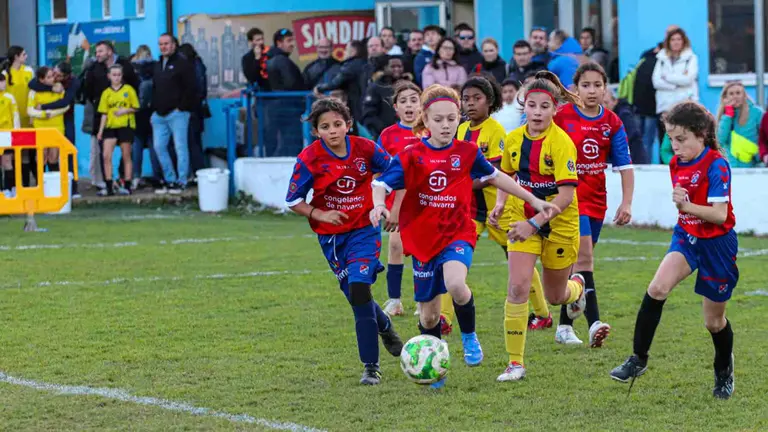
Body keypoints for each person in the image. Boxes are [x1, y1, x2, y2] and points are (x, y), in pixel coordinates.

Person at [370, 84, 559, 389]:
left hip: (458, 231)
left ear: (458, 118)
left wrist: (535, 201)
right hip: (422, 240)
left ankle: (469, 336)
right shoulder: (412, 154)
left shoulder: (467, 152)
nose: (445, 125)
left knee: (456, 284)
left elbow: (498, 177)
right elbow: (381, 183)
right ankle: (434, 366)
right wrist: (379, 204)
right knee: (429, 317)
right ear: (425, 121)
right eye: (438, 119)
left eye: (451, 119)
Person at [610, 101, 737, 401]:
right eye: (670, 138)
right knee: (657, 288)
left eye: (681, 139)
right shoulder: (676, 163)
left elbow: (719, 215)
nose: (674, 146)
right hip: (687, 237)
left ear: (701, 134)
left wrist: (685, 205)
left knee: (713, 322)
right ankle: (638, 359)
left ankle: (723, 370)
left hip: (717, 244)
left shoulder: (717, 164)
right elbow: (686, 204)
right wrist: (685, 209)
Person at [285, 97, 404, 385]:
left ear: (349, 125)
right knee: (354, 294)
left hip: (364, 228)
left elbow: (396, 173)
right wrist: (320, 214)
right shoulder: (309, 158)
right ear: (316, 131)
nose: (333, 131)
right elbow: (293, 201)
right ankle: (385, 326)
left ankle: (371, 367)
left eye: (338, 124)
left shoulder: (365, 148)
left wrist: (391, 207)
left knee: (360, 288)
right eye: (325, 127)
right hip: (332, 239)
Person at [489, 71, 587, 382]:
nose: (538, 112)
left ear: (555, 109)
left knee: (556, 296)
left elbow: (567, 195)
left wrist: (536, 221)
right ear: (524, 106)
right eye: (532, 105)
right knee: (517, 287)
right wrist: (501, 203)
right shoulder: (514, 139)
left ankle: (578, 289)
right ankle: (515, 363)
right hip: (522, 219)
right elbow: (505, 174)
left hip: (558, 222)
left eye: (545, 106)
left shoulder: (561, 143)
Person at [443, 76, 552, 335]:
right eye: (466, 99)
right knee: (451, 257)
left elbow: (491, 175)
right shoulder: (459, 130)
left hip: (498, 208)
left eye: (476, 98)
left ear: (489, 102)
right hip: (468, 209)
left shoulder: (496, 132)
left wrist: (459, 183)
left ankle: (542, 314)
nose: (470, 104)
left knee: (518, 259)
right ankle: (444, 319)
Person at [552, 63, 635, 347]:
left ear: (605, 88)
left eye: (597, 85)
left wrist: (626, 202)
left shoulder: (612, 122)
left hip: (597, 200)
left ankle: (563, 327)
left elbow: (625, 166)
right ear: (576, 89)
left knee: (578, 264)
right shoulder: (561, 117)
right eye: (585, 85)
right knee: (585, 258)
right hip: (569, 199)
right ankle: (595, 323)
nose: (592, 90)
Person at [376, 81, 422, 317]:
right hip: (397, 202)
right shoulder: (388, 135)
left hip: (425, 202)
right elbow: (379, 171)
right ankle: (394, 301)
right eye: (403, 101)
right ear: (396, 107)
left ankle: (423, 300)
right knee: (395, 245)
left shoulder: (429, 132)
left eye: (414, 100)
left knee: (423, 250)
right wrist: (379, 202)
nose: (409, 105)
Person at [27, 61, 82, 196]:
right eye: (53, 74)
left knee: (66, 150)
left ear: (65, 77)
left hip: (64, 119)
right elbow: (32, 84)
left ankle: (71, 187)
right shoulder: (44, 85)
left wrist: (44, 108)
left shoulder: (73, 83)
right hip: (43, 124)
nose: (55, 77)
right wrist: (50, 88)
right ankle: (41, 185)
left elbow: (65, 103)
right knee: (41, 156)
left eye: (58, 75)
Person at [152, 33, 196, 194]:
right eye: (161, 44)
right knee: (159, 147)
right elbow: (155, 87)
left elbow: (191, 88)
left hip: (177, 113)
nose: (163, 47)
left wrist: (181, 107)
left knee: (180, 147)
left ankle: (182, 181)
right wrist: (154, 109)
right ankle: (170, 179)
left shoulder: (183, 64)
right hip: (159, 115)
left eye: (166, 44)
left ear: (173, 45)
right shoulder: (157, 64)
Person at [96, 64, 139, 196]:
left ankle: (127, 184)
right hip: (110, 126)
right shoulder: (106, 93)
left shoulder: (128, 90)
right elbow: (104, 113)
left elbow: (136, 107)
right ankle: (109, 185)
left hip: (125, 125)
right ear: (109, 76)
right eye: (114, 75)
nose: (116, 77)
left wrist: (125, 110)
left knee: (126, 155)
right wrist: (100, 131)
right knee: (106, 155)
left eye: (119, 75)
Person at [652, 28, 698, 143]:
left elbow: (688, 79)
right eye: (673, 39)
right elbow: (656, 81)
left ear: (683, 41)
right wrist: (676, 85)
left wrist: (667, 77)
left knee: (684, 142)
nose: (676, 42)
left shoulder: (691, 58)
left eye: (679, 39)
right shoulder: (661, 58)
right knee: (665, 144)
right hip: (665, 108)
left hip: (684, 108)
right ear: (668, 42)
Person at [315, 40, 368, 126]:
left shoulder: (351, 66)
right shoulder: (365, 63)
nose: (344, 52)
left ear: (353, 51)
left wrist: (319, 88)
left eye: (346, 49)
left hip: (357, 107)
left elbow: (335, 83)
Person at [2, 46, 34, 186]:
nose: (26, 56)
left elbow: (33, 91)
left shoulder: (29, 71)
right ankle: (13, 186)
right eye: (24, 54)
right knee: (10, 154)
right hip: (11, 120)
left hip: (27, 117)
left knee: (25, 153)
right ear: (16, 57)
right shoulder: (5, 74)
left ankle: (25, 184)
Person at [27, 67, 69, 173]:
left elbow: (65, 106)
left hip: (57, 127)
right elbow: (30, 110)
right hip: (41, 128)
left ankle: (54, 187)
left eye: (53, 76)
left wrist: (51, 113)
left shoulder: (59, 88)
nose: (53, 79)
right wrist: (43, 114)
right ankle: (40, 185)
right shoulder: (34, 92)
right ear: (41, 80)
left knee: (53, 157)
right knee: (42, 157)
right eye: (49, 77)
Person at [361, 55, 412, 140]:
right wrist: (385, 131)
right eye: (393, 66)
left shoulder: (410, 86)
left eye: (399, 66)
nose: (396, 69)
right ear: (385, 68)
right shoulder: (376, 87)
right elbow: (369, 114)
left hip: (407, 136)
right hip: (384, 137)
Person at [178, 43, 208, 179]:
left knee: (191, 142)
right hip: (198, 109)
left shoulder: (190, 66)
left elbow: (196, 89)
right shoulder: (198, 64)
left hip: (191, 109)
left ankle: (196, 172)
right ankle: (198, 172)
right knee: (195, 141)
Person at [715, 81, 763, 168]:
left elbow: (764, 137)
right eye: (731, 94)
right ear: (725, 97)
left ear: (744, 95)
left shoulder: (757, 113)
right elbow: (720, 140)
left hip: (753, 166)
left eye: (738, 93)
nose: (735, 97)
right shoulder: (724, 116)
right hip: (731, 166)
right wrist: (728, 116)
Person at [604, 88, 647, 165]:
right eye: (600, 104)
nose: (604, 106)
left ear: (615, 101)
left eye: (606, 103)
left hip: (633, 160)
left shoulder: (624, 115)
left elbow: (630, 138)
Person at [0, 73, 20, 196]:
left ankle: (10, 188)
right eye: (1, 81)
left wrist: (16, 132)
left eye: (4, 81)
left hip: (7, 135)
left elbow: (15, 116)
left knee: (7, 162)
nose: (4, 84)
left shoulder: (9, 97)